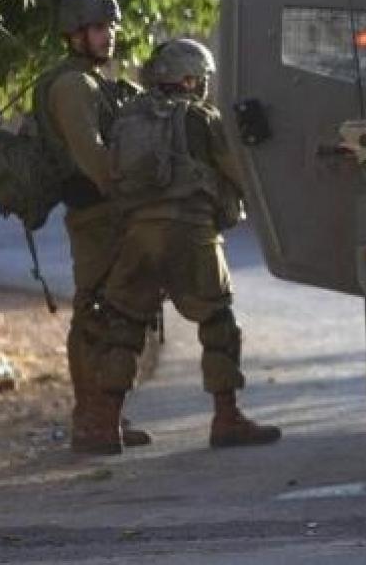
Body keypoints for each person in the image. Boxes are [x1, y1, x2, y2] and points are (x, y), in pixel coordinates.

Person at [85, 37, 279, 450]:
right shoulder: (200, 119)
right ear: (189, 79)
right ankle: (227, 417)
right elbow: (237, 171)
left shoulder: (128, 118)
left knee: (124, 324)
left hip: (137, 235)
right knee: (217, 322)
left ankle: (104, 424)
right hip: (191, 232)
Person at [33, 0, 150, 454]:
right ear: (76, 34)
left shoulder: (89, 80)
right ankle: (90, 420)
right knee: (96, 313)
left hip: (110, 213)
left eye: (112, 27)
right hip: (95, 214)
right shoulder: (72, 87)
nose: (110, 36)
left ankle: (107, 414)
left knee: (113, 309)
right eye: (100, 28)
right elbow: (94, 159)